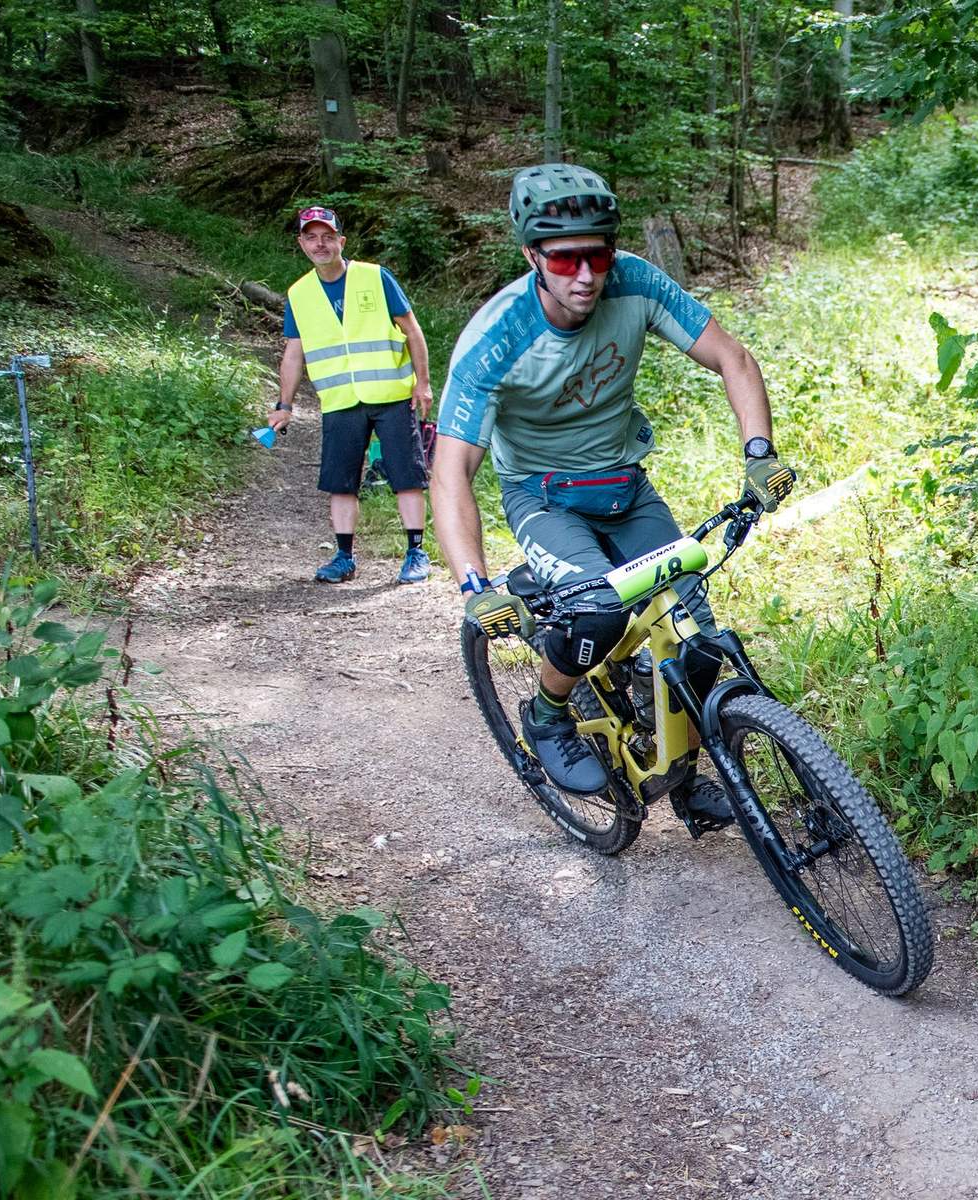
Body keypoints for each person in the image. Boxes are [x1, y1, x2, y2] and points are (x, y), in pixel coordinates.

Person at [430, 164, 794, 820]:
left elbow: (732, 358)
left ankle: (681, 781)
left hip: (626, 487)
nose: (585, 276)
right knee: (597, 612)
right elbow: (451, 472)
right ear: (531, 256)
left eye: (597, 256)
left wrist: (759, 454)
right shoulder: (495, 340)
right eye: (564, 260)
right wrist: (474, 586)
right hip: (544, 497)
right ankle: (548, 714)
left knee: (696, 646)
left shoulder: (635, 281)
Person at [268, 205, 436, 584]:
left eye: (327, 237)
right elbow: (293, 353)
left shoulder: (375, 277)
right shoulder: (299, 294)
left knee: (407, 475)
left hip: (391, 394)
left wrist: (422, 383)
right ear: (301, 244)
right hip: (340, 400)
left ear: (341, 241)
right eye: (311, 237)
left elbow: (412, 330)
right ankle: (344, 558)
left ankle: (416, 552)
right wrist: (284, 405)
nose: (320, 244)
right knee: (340, 482)